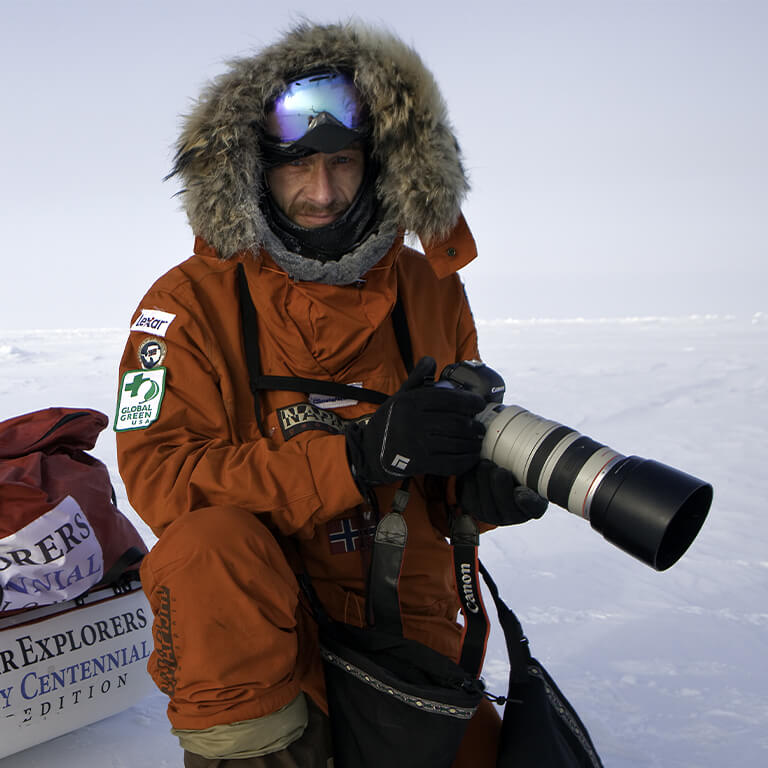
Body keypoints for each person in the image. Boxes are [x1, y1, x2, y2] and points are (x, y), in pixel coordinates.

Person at [115, 21, 547, 768]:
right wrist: (353, 459)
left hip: (403, 610)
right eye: (296, 167)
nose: (322, 192)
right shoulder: (180, 306)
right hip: (252, 630)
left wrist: (477, 493)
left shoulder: (429, 289)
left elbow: (442, 460)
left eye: (343, 162)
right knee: (206, 548)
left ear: (381, 164)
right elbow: (162, 480)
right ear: (254, 169)